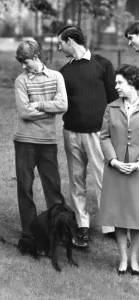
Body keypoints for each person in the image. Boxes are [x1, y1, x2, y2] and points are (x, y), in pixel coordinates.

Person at [57, 26, 118, 247]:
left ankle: (110, 225)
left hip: (97, 135)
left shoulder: (103, 64)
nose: (59, 47)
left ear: (71, 41)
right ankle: (82, 225)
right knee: (76, 180)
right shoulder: (64, 72)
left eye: (61, 43)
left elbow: (114, 100)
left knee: (103, 178)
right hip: (71, 133)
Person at [14, 38, 68, 253]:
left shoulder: (56, 77)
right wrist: (49, 110)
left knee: (53, 188)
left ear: (36, 57)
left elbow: (63, 105)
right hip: (24, 142)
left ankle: (57, 232)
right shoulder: (21, 80)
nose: (23, 66)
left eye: (26, 62)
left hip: (47, 142)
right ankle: (30, 234)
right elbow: (24, 112)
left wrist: (39, 104)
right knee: (25, 189)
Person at [98, 64, 139, 276]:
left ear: (132, 83)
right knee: (120, 216)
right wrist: (113, 161)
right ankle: (123, 259)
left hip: (138, 172)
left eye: (120, 82)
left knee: (137, 217)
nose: (116, 87)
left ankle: (135, 260)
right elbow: (103, 136)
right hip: (116, 170)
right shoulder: (111, 107)